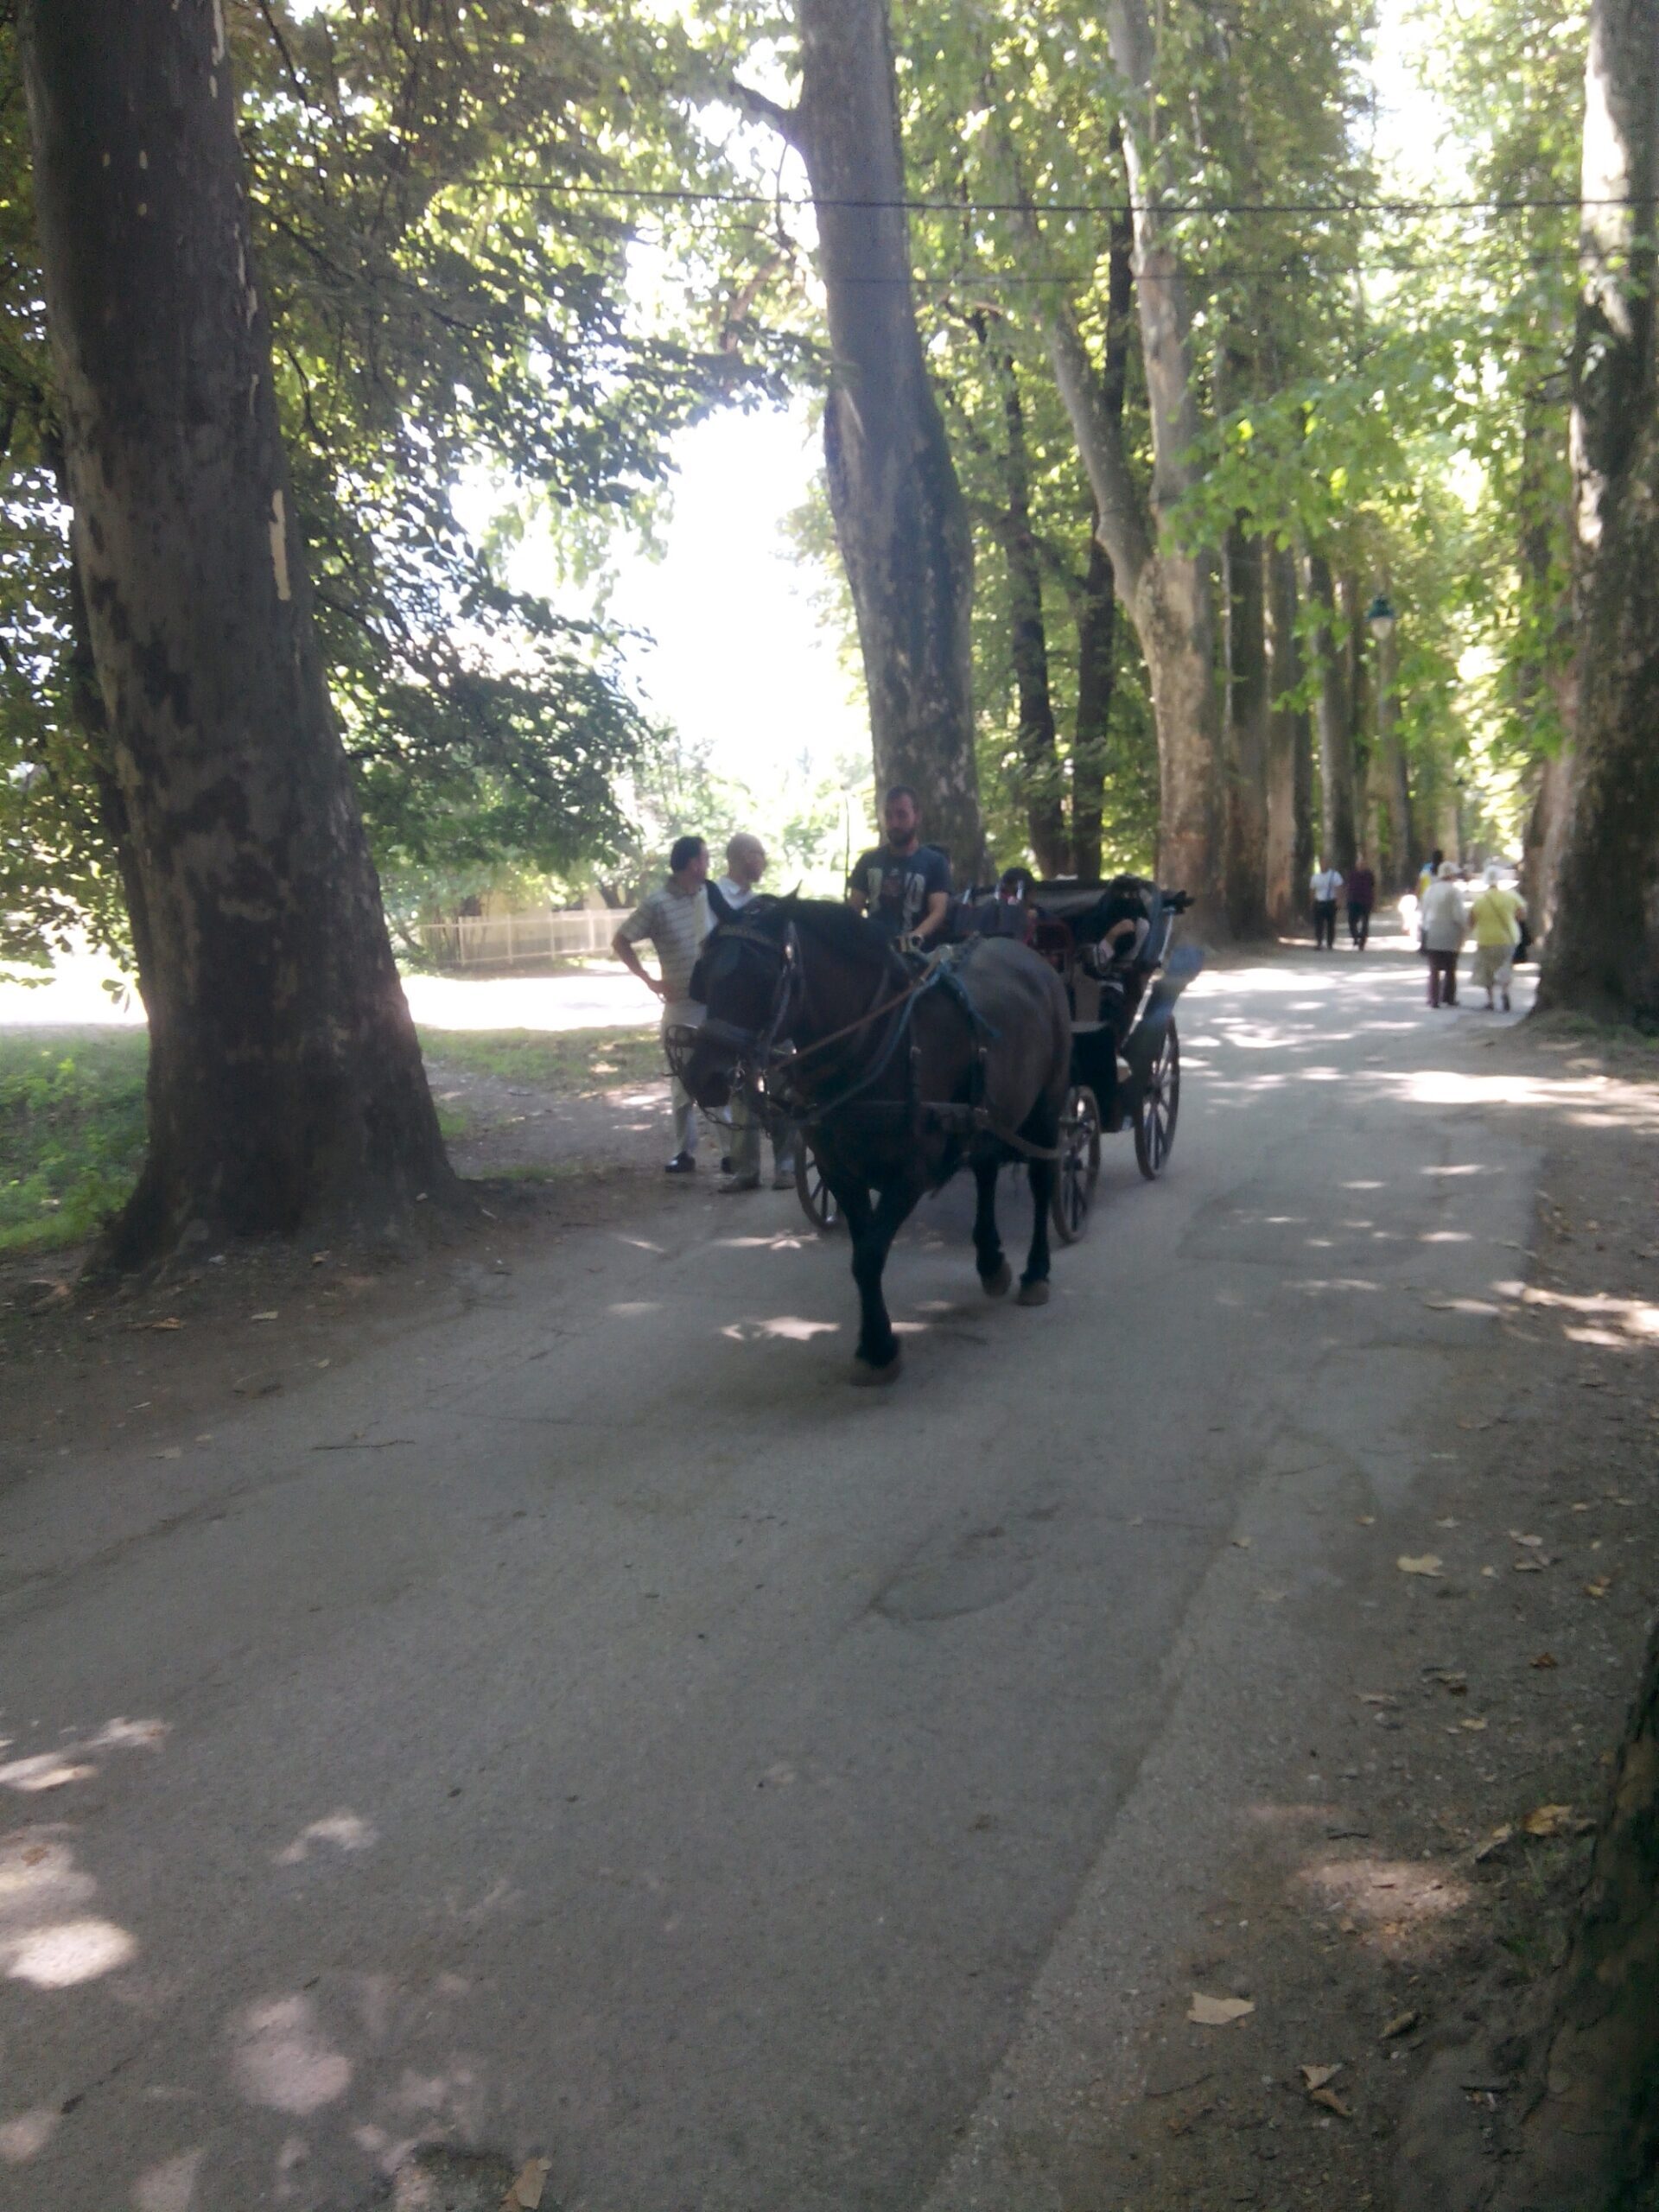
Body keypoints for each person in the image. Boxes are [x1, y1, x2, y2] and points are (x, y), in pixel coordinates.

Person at [612, 834, 711, 1174]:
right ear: (692, 863)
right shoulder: (657, 903)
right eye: (705, 858)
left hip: (716, 1003)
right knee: (682, 1080)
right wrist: (649, 980)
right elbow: (621, 940)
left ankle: (733, 1154)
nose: (708, 864)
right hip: (682, 1004)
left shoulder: (711, 897)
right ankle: (684, 1152)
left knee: (725, 1075)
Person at [709, 833, 798, 1193]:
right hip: (734, 1008)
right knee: (740, 1086)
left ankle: (787, 1165)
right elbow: (713, 952)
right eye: (760, 855)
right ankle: (746, 1169)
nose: (764, 861)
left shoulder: (763, 904)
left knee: (781, 1083)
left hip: (768, 1006)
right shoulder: (712, 896)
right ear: (745, 857)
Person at [847, 785, 951, 947]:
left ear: (917, 816)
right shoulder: (868, 861)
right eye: (888, 816)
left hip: (919, 958)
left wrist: (913, 939)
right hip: (875, 951)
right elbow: (853, 911)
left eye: (902, 815)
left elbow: (938, 912)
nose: (894, 823)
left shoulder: (935, 863)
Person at [1469, 862, 1526, 1012]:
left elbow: (1472, 920)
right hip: (1508, 939)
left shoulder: (1479, 900)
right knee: (1506, 966)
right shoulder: (1511, 896)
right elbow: (1521, 914)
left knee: (1487, 971)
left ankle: (1490, 1000)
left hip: (1485, 939)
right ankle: (1505, 992)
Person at [1420, 858, 1467, 1007]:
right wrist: (1465, 928)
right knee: (1450, 967)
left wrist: (1424, 928)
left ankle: (1433, 998)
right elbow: (1458, 914)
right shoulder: (1454, 892)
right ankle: (1448, 997)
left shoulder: (1429, 890)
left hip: (1432, 930)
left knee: (1433, 968)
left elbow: (1423, 911)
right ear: (1452, 875)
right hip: (1450, 932)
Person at [1311, 861, 1344, 950]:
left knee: (1331, 923)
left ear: (1328, 865)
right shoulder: (1315, 877)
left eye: (1324, 864)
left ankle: (1330, 942)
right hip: (1319, 902)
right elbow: (1312, 890)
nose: (1322, 865)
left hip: (1330, 902)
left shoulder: (1334, 875)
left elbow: (1339, 888)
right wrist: (1312, 901)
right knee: (1319, 924)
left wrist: (1339, 900)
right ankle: (1319, 942)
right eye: (1321, 864)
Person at [1345, 855, 1376, 949]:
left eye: (1363, 864)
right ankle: (1355, 937)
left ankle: (1362, 942)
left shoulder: (1369, 874)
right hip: (1353, 900)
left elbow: (1373, 887)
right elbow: (1348, 887)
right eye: (1359, 864)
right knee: (1351, 921)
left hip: (1366, 901)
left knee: (1365, 922)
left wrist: (1374, 900)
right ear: (1356, 865)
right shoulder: (1352, 874)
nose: (1361, 865)